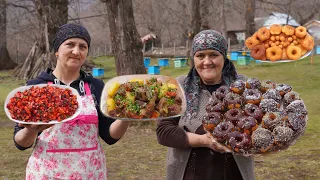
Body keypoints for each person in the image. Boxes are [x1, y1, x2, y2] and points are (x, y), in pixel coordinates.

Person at [13, 23, 130, 179]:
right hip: (47, 174)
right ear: (57, 50)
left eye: (83, 47)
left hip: (90, 173)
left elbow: (109, 136)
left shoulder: (96, 86)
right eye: (70, 44)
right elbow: (20, 143)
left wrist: (126, 117)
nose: (76, 51)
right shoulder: (36, 87)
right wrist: (32, 130)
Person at [156, 30, 255, 180]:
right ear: (194, 58)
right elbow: (164, 132)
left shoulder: (243, 85)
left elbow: (258, 126)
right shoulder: (178, 86)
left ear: (224, 56)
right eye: (200, 56)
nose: (207, 62)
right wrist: (203, 141)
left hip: (234, 172)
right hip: (187, 173)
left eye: (213, 55)